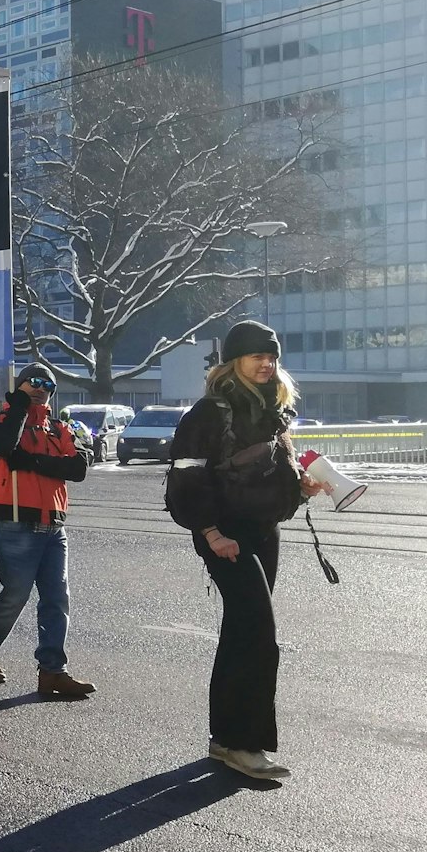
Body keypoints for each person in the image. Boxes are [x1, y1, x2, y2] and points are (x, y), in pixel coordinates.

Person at [167, 321, 327, 780]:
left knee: (241, 631)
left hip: (261, 531)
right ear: (233, 361)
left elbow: (273, 475)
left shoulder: (273, 411)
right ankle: (244, 743)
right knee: (259, 634)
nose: (266, 363)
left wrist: (303, 488)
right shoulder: (208, 413)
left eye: (272, 356)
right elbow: (186, 482)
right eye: (257, 355)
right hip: (223, 533)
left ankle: (224, 738)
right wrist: (212, 534)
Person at [0, 364, 99, 698]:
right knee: (16, 594)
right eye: (34, 382)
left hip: (54, 524)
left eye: (48, 385)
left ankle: (53, 671)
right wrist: (18, 410)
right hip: (13, 522)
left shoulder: (59, 428)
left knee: (57, 598)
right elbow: (4, 446)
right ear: (20, 385)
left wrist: (30, 462)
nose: (41, 388)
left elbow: (78, 468)